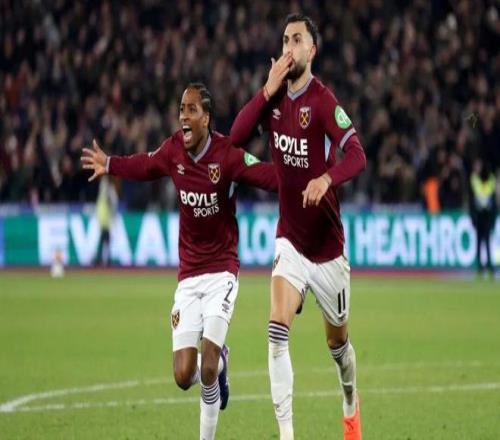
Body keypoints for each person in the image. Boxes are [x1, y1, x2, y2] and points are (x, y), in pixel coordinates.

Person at [81, 83, 278, 440]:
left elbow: (267, 176)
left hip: (221, 271)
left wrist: (307, 176)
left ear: (206, 118)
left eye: (191, 110)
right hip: (188, 276)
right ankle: (222, 363)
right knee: (183, 375)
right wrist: (110, 163)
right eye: (181, 109)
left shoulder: (227, 155)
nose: (183, 116)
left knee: (206, 366)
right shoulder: (173, 150)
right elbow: (146, 164)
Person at [230, 13, 366, 440]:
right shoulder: (272, 99)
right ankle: (287, 435)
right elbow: (234, 140)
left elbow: (357, 154)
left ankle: (350, 403)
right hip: (290, 239)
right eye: (285, 40)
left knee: (338, 348)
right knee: (276, 330)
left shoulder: (323, 102)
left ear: (312, 50)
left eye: (297, 40)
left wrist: (327, 178)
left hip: (328, 249)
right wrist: (265, 89)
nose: (289, 47)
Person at [470, 159, 497, 279]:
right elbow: (472, 201)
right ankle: (480, 266)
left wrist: (493, 219)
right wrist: (473, 218)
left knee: (486, 242)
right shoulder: (474, 179)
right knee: (480, 242)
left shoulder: (490, 180)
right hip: (479, 217)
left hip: (486, 216)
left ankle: (489, 265)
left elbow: (493, 201)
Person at [94, 175, 118, 266]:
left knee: (104, 237)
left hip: (103, 215)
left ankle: (100, 258)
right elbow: (111, 201)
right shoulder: (107, 187)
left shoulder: (105, 186)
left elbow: (109, 200)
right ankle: (104, 258)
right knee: (105, 237)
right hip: (105, 216)